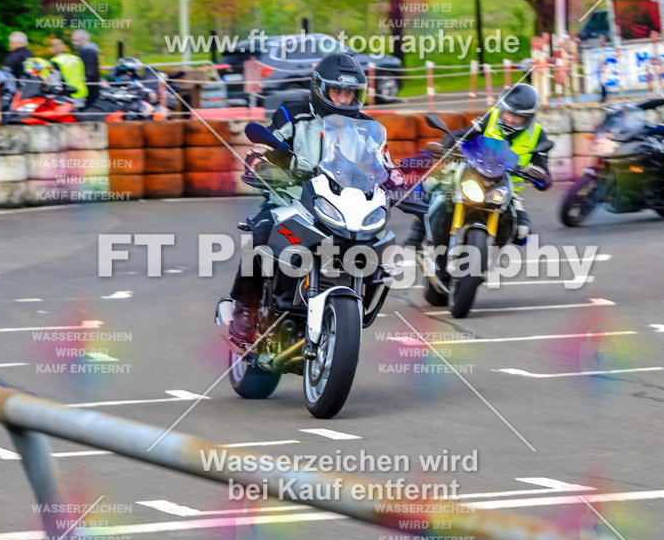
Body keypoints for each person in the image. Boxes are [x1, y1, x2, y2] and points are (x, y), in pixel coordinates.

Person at [228, 53, 404, 343]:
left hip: (347, 205)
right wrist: (260, 163)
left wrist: (401, 183)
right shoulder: (294, 114)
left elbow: (384, 164)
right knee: (262, 231)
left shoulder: (366, 128)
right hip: (292, 199)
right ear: (320, 88)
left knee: (380, 246)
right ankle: (245, 308)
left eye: (350, 93)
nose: (344, 99)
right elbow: (266, 145)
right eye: (337, 91)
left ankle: (351, 310)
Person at [404, 83, 552, 250]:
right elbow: (463, 134)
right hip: (473, 173)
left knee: (522, 233)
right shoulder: (491, 118)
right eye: (508, 113)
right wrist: (446, 146)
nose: (510, 119)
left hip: (506, 190)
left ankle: (493, 253)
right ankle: (416, 236)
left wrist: (539, 175)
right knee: (430, 184)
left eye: (517, 117)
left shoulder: (538, 134)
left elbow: (545, 175)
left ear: (529, 118)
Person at [49, 38, 88, 107]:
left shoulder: (55, 61)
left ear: (52, 48)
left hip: (66, 96)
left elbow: (54, 82)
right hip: (82, 93)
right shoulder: (76, 58)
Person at [70, 30, 101, 106]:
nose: (73, 43)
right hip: (89, 90)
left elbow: (90, 73)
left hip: (89, 92)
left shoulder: (89, 52)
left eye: (76, 41)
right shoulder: (86, 51)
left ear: (84, 40)